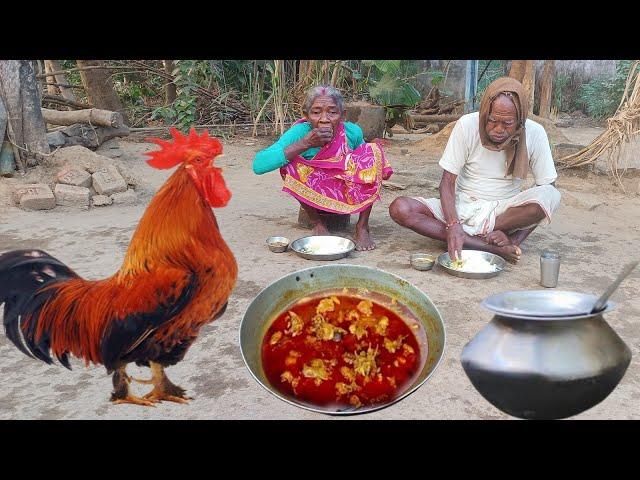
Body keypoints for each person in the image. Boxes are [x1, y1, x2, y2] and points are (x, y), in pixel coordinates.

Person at [388, 77, 561, 263]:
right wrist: (453, 224)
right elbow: (447, 182)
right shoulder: (467, 125)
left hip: (503, 214)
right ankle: (485, 245)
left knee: (550, 195)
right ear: (485, 112)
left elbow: (547, 185)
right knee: (400, 208)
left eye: (508, 123)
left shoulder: (535, 133)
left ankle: (478, 240)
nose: (498, 129)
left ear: (520, 120)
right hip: (463, 208)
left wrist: (513, 241)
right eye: (493, 120)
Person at [252, 85, 393, 251]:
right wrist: (305, 143)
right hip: (313, 191)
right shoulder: (300, 132)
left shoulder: (352, 132)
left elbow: (367, 165)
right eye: (316, 112)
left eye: (332, 112)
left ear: (343, 116)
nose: (324, 119)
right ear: (306, 115)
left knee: (373, 154)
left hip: (344, 189)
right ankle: (317, 223)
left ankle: (362, 227)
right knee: (289, 163)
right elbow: (259, 165)